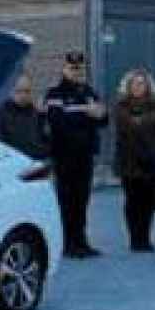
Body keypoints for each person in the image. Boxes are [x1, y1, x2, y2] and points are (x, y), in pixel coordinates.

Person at [45, 51, 108, 259]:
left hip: (85, 156)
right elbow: (57, 124)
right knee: (66, 200)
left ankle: (81, 241)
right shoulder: (55, 94)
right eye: (72, 68)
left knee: (82, 201)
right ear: (64, 69)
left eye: (79, 68)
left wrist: (99, 114)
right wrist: (87, 117)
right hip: (65, 156)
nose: (76, 71)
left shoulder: (89, 92)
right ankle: (66, 243)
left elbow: (103, 119)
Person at [113, 68, 155, 253]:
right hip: (129, 161)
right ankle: (134, 238)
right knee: (132, 201)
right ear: (128, 86)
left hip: (151, 160)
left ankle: (145, 237)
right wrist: (143, 123)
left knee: (148, 201)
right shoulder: (121, 105)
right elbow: (124, 125)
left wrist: (139, 122)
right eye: (135, 83)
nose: (138, 87)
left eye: (141, 83)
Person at [0, 74, 50, 161]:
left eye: (27, 91)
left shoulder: (36, 115)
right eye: (19, 91)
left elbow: (43, 147)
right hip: (5, 161)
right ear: (11, 91)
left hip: (29, 166)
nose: (23, 95)